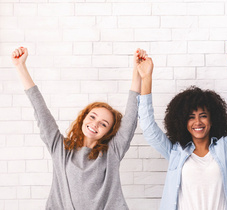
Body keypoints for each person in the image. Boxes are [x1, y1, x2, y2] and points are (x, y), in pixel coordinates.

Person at [12, 46, 141, 209]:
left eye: (103, 124)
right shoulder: (61, 149)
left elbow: (130, 119)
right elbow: (40, 110)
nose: (95, 124)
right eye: (92, 117)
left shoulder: (111, 153)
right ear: (83, 118)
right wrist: (20, 66)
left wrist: (137, 72)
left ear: (109, 132)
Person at [137, 40, 227, 210]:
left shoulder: (225, 149)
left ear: (212, 120)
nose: (197, 122)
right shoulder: (176, 153)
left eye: (203, 116)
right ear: (183, 122)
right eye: (191, 117)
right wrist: (146, 78)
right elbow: (147, 127)